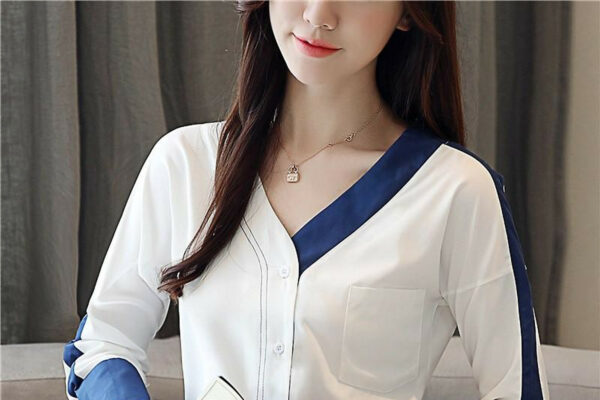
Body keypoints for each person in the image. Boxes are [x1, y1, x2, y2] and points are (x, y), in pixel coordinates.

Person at [63, 1, 551, 399]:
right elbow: (103, 344)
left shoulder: (455, 191)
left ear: (408, 11)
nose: (319, 14)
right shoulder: (185, 164)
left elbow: (516, 387)